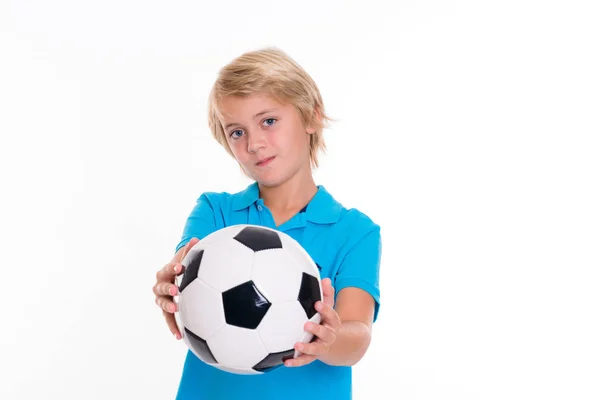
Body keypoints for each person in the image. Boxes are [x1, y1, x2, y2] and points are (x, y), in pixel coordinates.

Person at [152, 47, 382, 400]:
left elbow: (357, 336)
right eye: (236, 132)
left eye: (268, 121)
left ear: (311, 117)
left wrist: (329, 339)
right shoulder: (215, 212)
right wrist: (170, 284)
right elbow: (183, 265)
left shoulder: (354, 231)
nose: (255, 143)